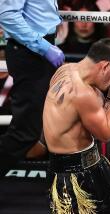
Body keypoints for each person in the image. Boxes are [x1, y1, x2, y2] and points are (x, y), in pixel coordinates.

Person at [43, 38, 110, 213]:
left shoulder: (65, 69)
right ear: (104, 66)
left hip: (95, 162)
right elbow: (105, 134)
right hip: (71, 175)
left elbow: (90, 116)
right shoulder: (82, 94)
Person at [0, 0, 65, 177]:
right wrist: (43, 47)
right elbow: (7, 15)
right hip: (30, 50)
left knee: (52, 119)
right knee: (26, 131)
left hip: (40, 47)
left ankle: (62, 182)